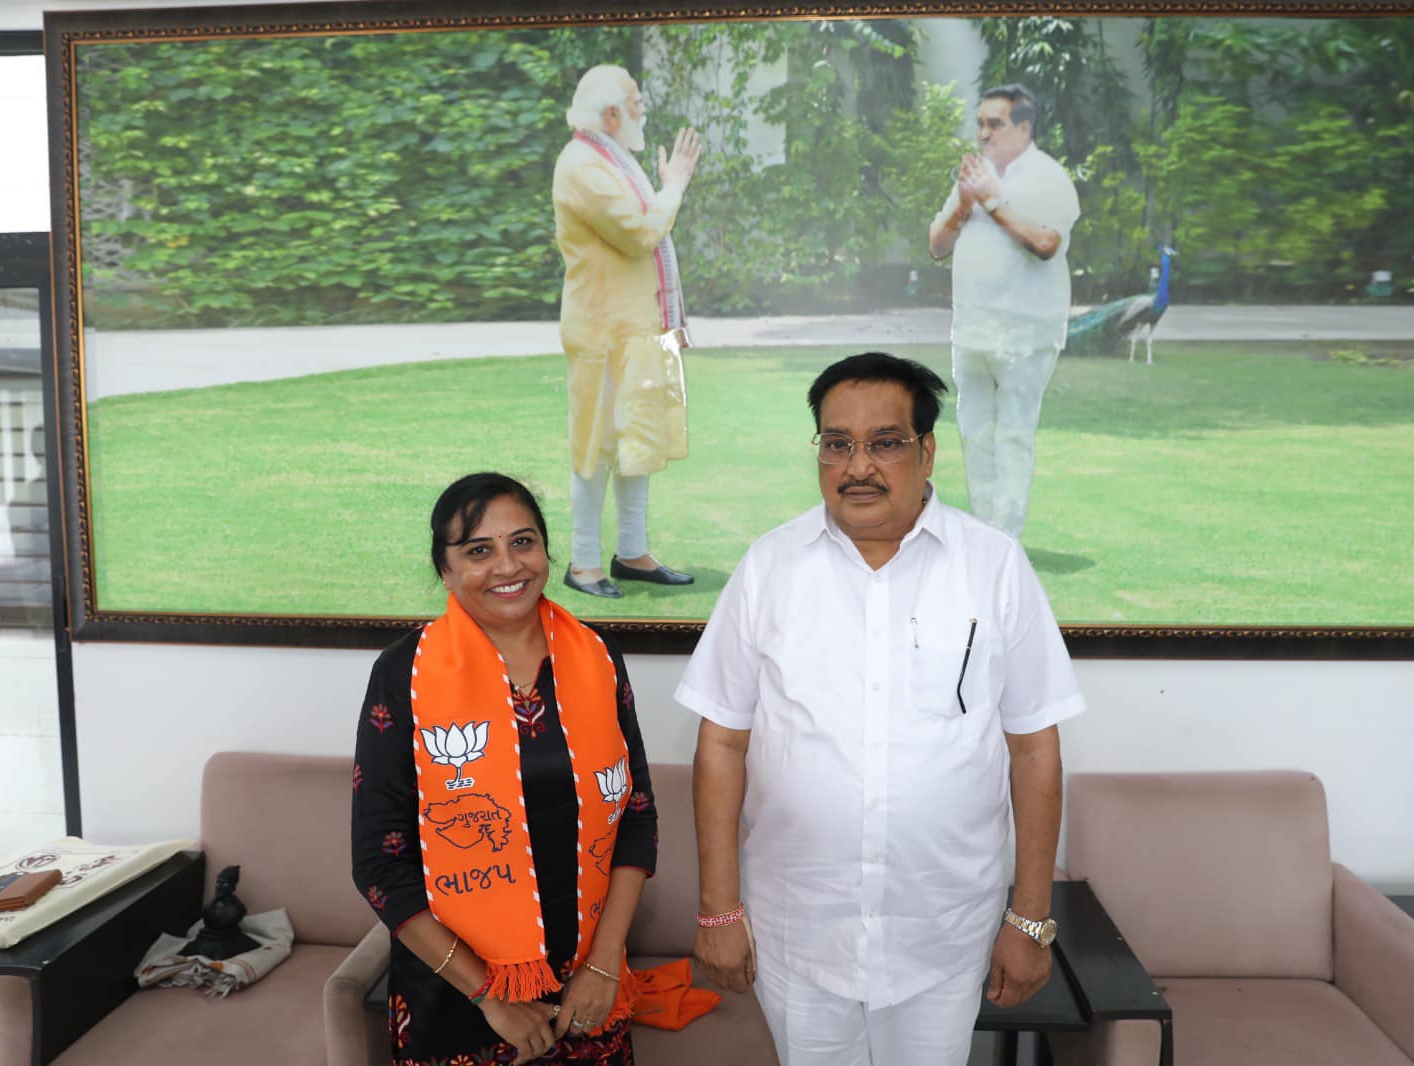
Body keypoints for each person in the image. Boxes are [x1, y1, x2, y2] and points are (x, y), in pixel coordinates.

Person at [678, 353, 1085, 1066]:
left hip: (943, 933)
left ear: (927, 451)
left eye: (884, 442)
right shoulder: (769, 567)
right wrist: (718, 910)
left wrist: (1030, 921)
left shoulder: (993, 567)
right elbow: (721, 743)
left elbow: (1033, 749)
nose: (857, 466)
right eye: (837, 443)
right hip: (799, 931)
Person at [351, 472, 658, 1065]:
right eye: (478, 550)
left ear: (546, 550)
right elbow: (378, 863)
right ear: (444, 569)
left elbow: (636, 818)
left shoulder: (598, 657)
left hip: (589, 993)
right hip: (456, 999)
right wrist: (491, 996)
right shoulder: (403, 674)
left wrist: (602, 967)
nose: (508, 565)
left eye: (523, 542)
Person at [552, 64, 703, 599]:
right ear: (612, 114)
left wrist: (666, 188)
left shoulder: (613, 158)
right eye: (636, 100)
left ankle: (633, 553)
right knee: (594, 447)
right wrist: (674, 186)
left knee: (637, 441)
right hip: (601, 333)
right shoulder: (580, 166)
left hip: (636, 329)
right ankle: (584, 564)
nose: (643, 107)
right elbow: (640, 233)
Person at [928, 84, 1081, 539]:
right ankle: (983, 533)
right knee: (974, 434)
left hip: (1025, 334)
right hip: (971, 329)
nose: (983, 133)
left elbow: (1046, 243)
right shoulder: (975, 176)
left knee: (1013, 435)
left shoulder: (1049, 178)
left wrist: (993, 202)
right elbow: (937, 245)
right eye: (980, 124)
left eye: (995, 124)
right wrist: (964, 204)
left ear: (1024, 128)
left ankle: (1005, 541)